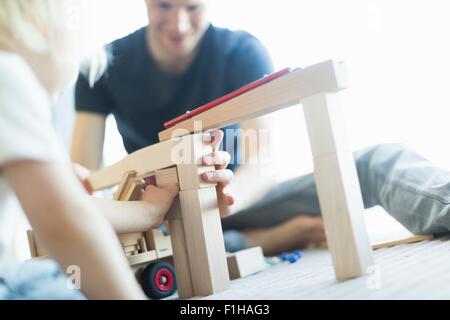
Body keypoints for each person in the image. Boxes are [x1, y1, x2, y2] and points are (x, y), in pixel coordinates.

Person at [0, 0, 232, 299]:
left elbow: (72, 209)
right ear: (43, 30)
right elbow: (67, 219)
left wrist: (147, 211)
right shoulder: (8, 75)